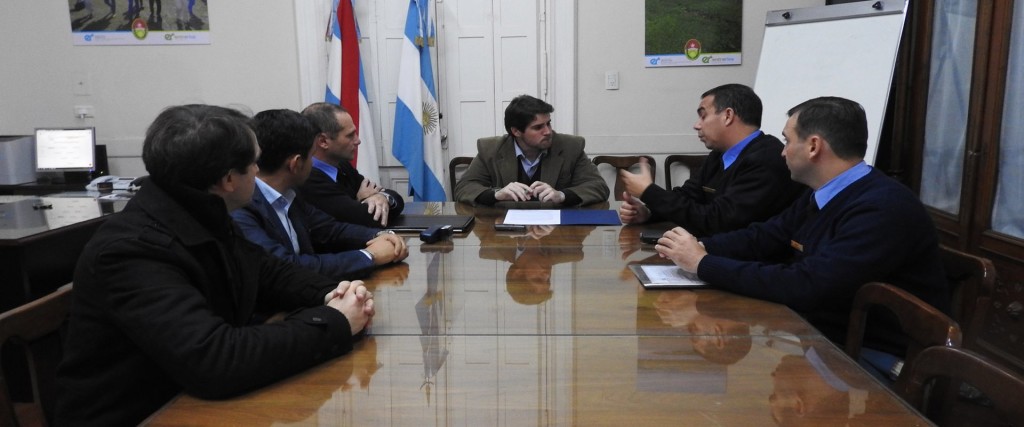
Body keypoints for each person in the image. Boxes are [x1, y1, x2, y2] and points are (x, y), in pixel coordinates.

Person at [55, 104, 375, 426]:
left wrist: (336, 292)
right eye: (254, 163)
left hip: (186, 401)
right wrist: (335, 321)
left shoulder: (197, 212)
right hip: (138, 415)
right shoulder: (131, 250)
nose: (258, 171)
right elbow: (216, 359)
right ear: (228, 179)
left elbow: (267, 271)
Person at [654, 96, 948, 360]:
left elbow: (808, 286)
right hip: (822, 332)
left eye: (787, 141)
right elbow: (765, 236)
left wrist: (703, 263)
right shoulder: (822, 193)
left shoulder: (881, 208)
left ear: (813, 146)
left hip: (873, 355)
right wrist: (700, 248)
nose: (782, 153)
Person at [232, 109, 408, 280]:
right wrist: (370, 256)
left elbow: (331, 230)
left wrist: (380, 236)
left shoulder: (289, 194)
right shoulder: (241, 208)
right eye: (311, 157)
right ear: (296, 164)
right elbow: (287, 268)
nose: (313, 164)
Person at [618, 84, 804, 236]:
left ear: (728, 116)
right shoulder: (719, 155)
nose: (696, 125)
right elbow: (688, 196)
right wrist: (648, 212)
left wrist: (649, 192)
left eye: (703, 115)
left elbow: (717, 221)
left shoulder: (766, 160)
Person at [454, 94, 609, 206]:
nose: (548, 131)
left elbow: (598, 186)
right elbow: (464, 188)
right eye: (538, 127)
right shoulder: (490, 149)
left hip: (557, 230)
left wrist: (562, 195)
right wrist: (496, 194)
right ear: (516, 131)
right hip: (507, 231)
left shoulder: (570, 146)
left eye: (548, 123)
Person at [299, 102, 404, 227]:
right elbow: (369, 218)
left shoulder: (342, 165)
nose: (358, 141)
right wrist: (362, 201)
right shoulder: (308, 178)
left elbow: (397, 199)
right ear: (323, 141)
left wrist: (382, 197)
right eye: (350, 136)